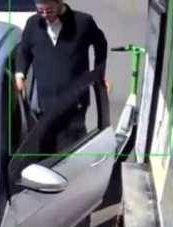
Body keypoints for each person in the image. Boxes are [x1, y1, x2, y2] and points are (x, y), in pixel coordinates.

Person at [15, 0, 109, 151]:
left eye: (50, 11)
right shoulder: (33, 24)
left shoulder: (83, 22)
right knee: (44, 150)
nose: (45, 15)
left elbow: (101, 44)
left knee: (70, 151)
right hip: (44, 105)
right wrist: (20, 73)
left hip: (74, 104)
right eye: (40, 11)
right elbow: (24, 51)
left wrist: (99, 73)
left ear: (60, 3)